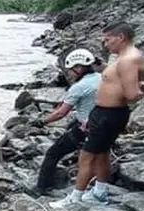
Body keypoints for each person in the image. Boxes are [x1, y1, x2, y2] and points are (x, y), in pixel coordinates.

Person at [50, 23, 144, 208]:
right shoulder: (123, 57)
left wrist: (138, 92)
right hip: (104, 113)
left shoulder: (128, 60)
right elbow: (118, 80)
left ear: (121, 37)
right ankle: (100, 192)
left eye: (108, 39)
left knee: (86, 157)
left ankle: (75, 199)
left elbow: (132, 94)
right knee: (102, 154)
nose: (105, 43)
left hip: (109, 115)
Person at [33, 48, 101, 194]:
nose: (69, 73)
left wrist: (42, 122)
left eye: (71, 69)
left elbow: (61, 113)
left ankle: (42, 188)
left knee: (52, 154)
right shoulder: (102, 78)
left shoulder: (79, 87)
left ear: (79, 67)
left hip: (85, 129)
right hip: (102, 124)